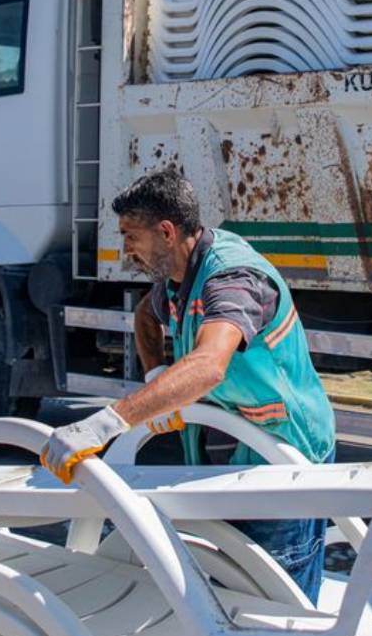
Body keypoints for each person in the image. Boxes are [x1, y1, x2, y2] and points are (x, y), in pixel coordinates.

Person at [42, 166, 336, 603]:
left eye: (130, 236)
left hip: (282, 461)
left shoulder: (232, 281)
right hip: (230, 460)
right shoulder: (179, 279)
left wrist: (107, 423)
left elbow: (209, 365)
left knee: (280, 601)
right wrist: (157, 376)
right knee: (228, 591)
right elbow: (146, 315)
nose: (126, 251)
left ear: (165, 231)